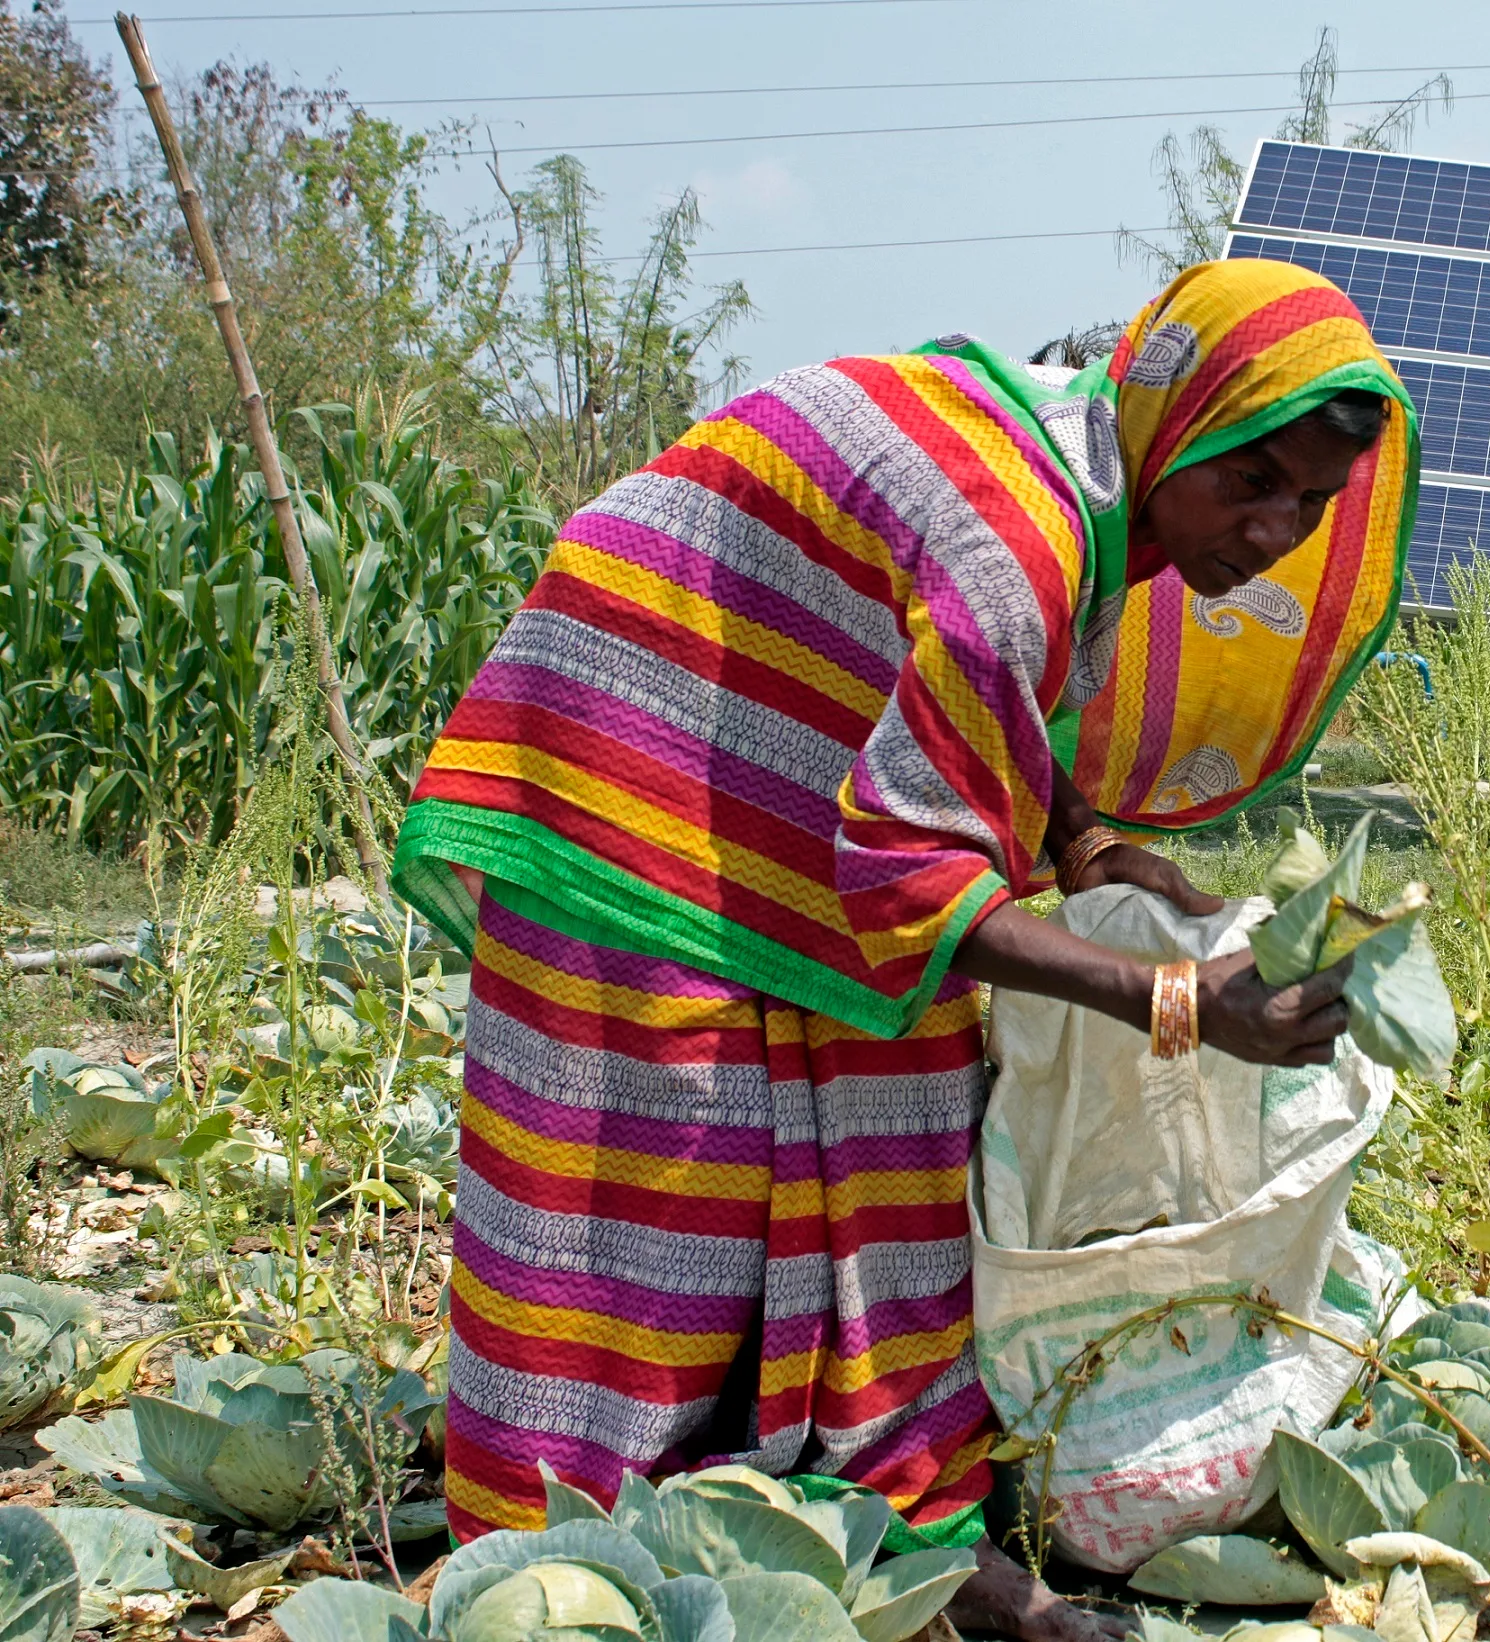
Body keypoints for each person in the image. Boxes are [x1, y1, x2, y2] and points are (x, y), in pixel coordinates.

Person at [390, 258, 1420, 1640]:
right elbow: (906, 887)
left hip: (773, 722)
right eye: (1253, 480)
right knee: (657, 1142)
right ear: (1176, 417)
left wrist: (1077, 840)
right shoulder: (1029, 536)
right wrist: (1179, 999)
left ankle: (866, 1489)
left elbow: (955, 681)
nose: (1273, 528)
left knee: (899, 1083)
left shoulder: (1091, 468)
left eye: (1310, 502)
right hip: (632, 720)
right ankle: (569, 1522)